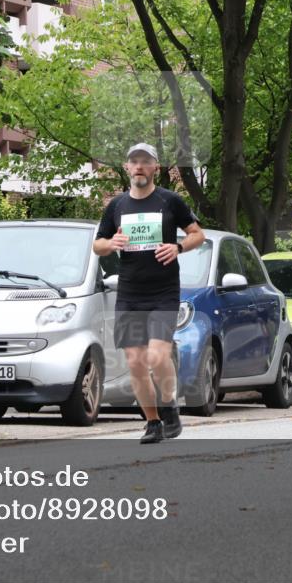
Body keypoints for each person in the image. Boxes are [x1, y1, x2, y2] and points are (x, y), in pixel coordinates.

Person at [93, 143, 205, 444]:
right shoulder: (117, 206)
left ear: (155, 167)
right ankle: (153, 422)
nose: (139, 167)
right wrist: (111, 243)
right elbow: (97, 245)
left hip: (163, 291)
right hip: (130, 292)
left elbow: (198, 234)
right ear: (127, 168)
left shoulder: (170, 201)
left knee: (157, 357)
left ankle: (169, 407)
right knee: (135, 362)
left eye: (145, 162)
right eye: (134, 162)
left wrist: (178, 246)